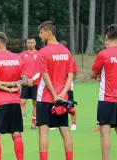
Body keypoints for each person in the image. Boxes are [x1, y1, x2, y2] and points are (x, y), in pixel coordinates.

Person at [0, 32, 27, 160]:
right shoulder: (17, 58)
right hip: (15, 101)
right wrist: (16, 84)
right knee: (16, 134)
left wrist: (5, 87)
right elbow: (25, 79)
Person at [36, 21, 74, 160]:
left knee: (43, 131)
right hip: (62, 98)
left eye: (41, 32)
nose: (39, 35)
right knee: (64, 129)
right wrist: (63, 93)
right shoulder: (66, 51)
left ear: (49, 32)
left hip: (46, 97)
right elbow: (70, 75)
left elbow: (45, 77)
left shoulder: (43, 52)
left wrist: (54, 95)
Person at [90, 24, 117, 160]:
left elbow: (92, 74)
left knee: (105, 133)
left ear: (106, 38)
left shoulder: (103, 54)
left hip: (107, 99)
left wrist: (99, 76)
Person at [19, 36, 39, 130]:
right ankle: (20, 123)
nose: (30, 44)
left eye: (32, 42)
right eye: (28, 43)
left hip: (36, 82)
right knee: (22, 102)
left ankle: (34, 123)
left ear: (35, 43)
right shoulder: (22, 55)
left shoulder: (39, 54)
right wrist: (26, 80)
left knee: (35, 103)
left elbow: (41, 70)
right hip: (25, 82)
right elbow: (20, 69)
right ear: (26, 44)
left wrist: (33, 79)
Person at [59, 40, 78, 131]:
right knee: (58, 104)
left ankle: (74, 123)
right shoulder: (57, 59)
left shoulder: (71, 60)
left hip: (68, 87)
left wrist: (68, 82)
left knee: (70, 105)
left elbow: (74, 74)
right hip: (58, 87)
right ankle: (57, 123)